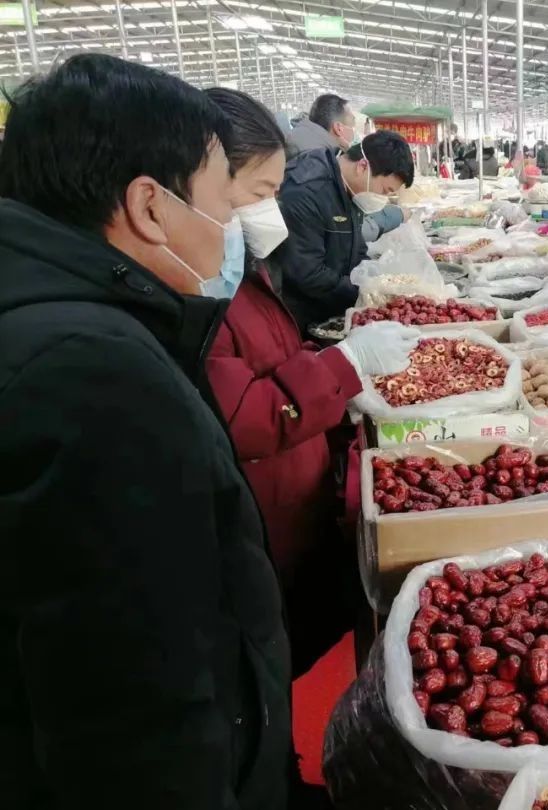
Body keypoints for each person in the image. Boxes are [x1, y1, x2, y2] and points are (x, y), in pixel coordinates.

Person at [0, 54, 292, 808]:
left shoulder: (46, 314)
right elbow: (136, 706)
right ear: (149, 206)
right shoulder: (93, 375)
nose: (230, 227)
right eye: (223, 200)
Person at [203, 89, 419, 679]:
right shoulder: (202, 290)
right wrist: (343, 362)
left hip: (288, 507)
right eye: (260, 192)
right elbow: (244, 414)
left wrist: (329, 369)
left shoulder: (237, 276)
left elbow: (273, 352)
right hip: (262, 523)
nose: (269, 206)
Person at [274, 130, 414, 331]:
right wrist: (363, 291)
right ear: (362, 166)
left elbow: (355, 246)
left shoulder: (348, 187)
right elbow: (308, 273)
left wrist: (377, 278)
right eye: (385, 191)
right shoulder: (306, 192)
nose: (383, 199)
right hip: (303, 319)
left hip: (333, 307)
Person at [285, 93, 356, 159]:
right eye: (353, 121)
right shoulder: (318, 157)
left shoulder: (303, 133)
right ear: (338, 128)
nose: (354, 128)